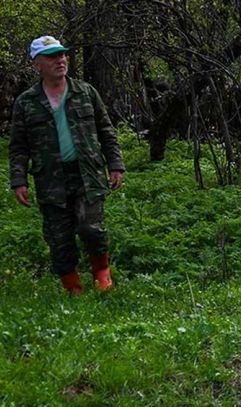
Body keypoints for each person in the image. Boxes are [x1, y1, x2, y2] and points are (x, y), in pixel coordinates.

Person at [8, 36, 125, 295]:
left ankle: (102, 277)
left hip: (88, 173)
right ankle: (73, 289)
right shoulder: (26, 103)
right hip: (50, 179)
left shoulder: (85, 92)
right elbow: (18, 146)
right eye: (52, 56)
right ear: (37, 63)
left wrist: (115, 164)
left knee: (91, 229)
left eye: (62, 55)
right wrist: (18, 180)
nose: (60, 60)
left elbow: (106, 131)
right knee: (59, 238)